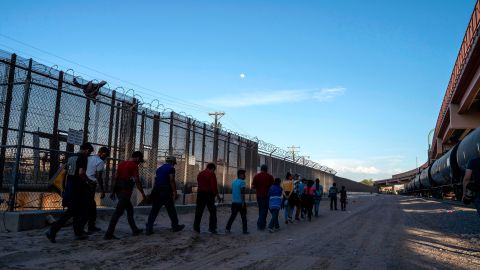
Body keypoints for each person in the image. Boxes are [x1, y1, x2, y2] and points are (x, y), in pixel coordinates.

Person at [46, 142, 94, 243]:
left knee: (76, 210)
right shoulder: (83, 157)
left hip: (70, 185)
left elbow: (65, 172)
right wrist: (89, 181)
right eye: (89, 152)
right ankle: (53, 230)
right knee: (74, 211)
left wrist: (64, 186)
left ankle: (78, 233)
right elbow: (81, 172)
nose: (88, 154)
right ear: (87, 150)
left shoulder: (71, 157)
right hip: (78, 187)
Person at [104, 151, 146, 240]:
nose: (139, 163)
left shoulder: (122, 164)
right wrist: (142, 194)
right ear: (137, 158)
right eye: (140, 160)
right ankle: (109, 233)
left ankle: (135, 230)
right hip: (125, 192)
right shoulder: (134, 165)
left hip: (119, 191)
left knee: (130, 210)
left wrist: (113, 191)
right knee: (118, 213)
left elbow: (116, 178)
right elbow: (137, 181)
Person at [146, 156, 185, 235]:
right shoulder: (171, 168)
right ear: (172, 162)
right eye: (174, 163)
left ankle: (149, 228)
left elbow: (157, 181)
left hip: (157, 191)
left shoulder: (159, 169)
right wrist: (175, 192)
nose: (174, 165)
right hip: (166, 192)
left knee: (154, 210)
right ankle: (175, 226)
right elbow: (171, 180)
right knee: (171, 210)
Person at [85, 146, 110, 233]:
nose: (105, 158)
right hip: (91, 184)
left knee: (89, 204)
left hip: (84, 182)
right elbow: (99, 177)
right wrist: (102, 190)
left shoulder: (89, 158)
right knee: (91, 205)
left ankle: (90, 226)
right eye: (106, 156)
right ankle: (90, 226)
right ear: (103, 153)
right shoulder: (100, 162)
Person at [193, 163, 222, 234]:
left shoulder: (200, 173)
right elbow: (213, 186)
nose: (214, 171)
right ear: (212, 168)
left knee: (199, 211)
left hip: (200, 194)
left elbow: (198, 182)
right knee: (212, 211)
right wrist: (217, 196)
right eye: (214, 170)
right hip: (208, 194)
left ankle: (196, 228)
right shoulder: (211, 174)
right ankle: (212, 228)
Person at [251, 164, 274, 230]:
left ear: (261, 169)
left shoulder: (256, 176)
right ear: (266, 169)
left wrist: (258, 187)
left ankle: (262, 224)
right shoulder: (270, 177)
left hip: (258, 196)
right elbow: (272, 187)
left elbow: (252, 186)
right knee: (265, 210)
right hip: (266, 196)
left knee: (261, 209)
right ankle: (260, 224)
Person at [225, 169, 248, 234]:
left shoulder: (233, 182)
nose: (245, 176)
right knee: (243, 217)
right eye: (244, 174)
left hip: (234, 202)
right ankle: (244, 230)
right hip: (240, 202)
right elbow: (242, 193)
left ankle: (227, 228)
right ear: (241, 175)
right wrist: (243, 202)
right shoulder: (242, 182)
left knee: (233, 216)